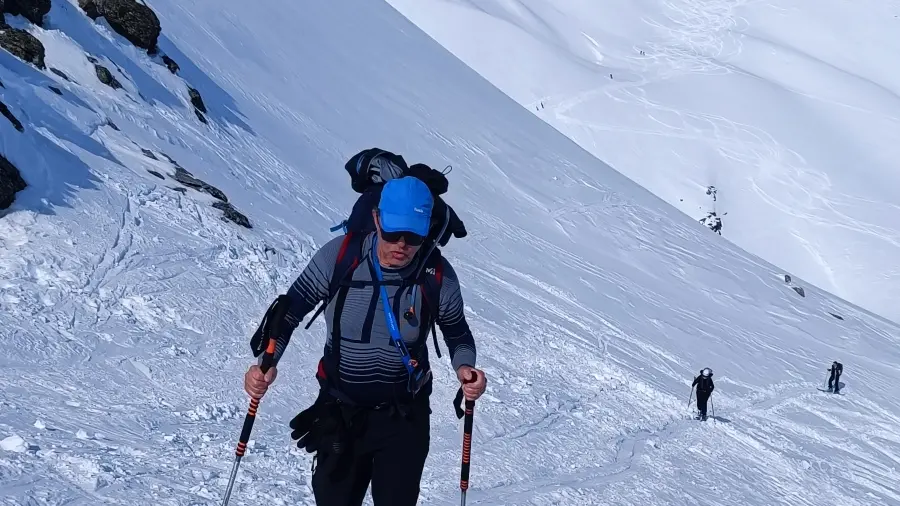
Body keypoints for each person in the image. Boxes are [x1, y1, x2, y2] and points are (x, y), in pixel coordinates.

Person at [243, 176, 487, 506]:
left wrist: (465, 369)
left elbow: (457, 333)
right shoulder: (340, 256)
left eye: (413, 236)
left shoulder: (436, 275)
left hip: (403, 418)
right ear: (377, 220)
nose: (401, 244)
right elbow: (290, 310)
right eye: (392, 232)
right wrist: (266, 365)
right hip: (339, 411)